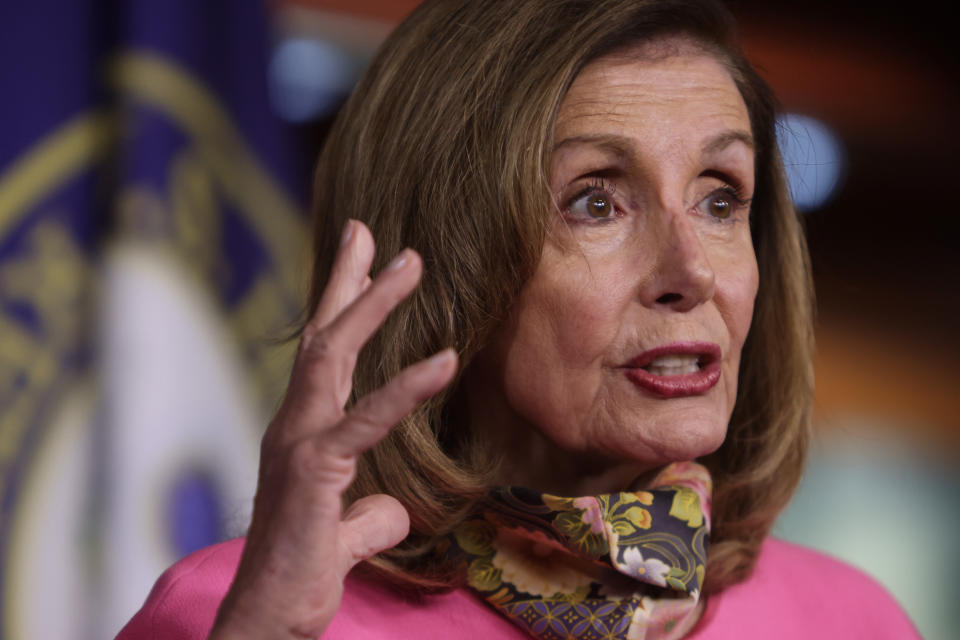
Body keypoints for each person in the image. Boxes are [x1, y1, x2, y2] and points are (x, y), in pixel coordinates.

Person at [117, 0, 919, 638]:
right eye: (595, 201)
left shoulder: (853, 620)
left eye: (720, 198)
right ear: (440, 260)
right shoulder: (233, 614)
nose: (692, 271)